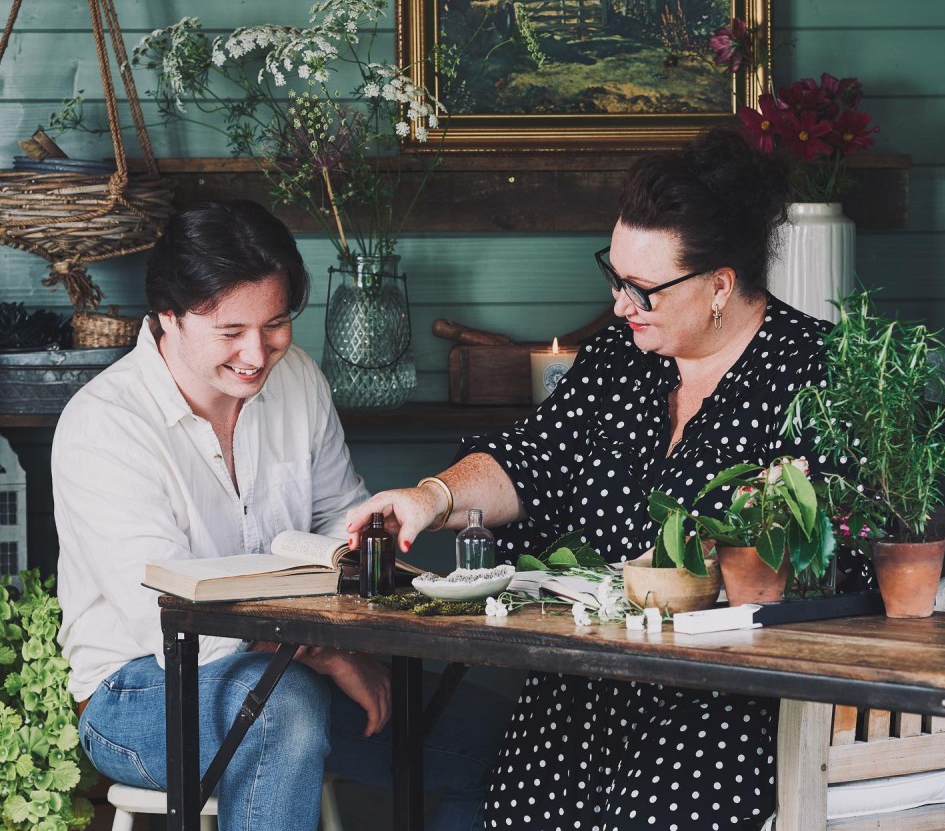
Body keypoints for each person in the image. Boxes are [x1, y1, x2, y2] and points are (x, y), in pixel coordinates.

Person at [345, 127, 833, 830]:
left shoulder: (811, 372)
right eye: (615, 275)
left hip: (723, 699)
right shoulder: (619, 356)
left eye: (642, 289)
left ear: (721, 285)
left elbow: (831, 561)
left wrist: (693, 575)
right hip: (579, 686)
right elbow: (530, 458)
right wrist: (432, 497)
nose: (620, 303)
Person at [53, 199, 503, 831]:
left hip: (295, 674)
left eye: (275, 324)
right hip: (137, 692)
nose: (258, 354)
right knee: (281, 710)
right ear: (168, 318)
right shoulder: (104, 425)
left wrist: (345, 616)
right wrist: (331, 654)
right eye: (230, 332)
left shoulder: (297, 380)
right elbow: (175, 619)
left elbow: (342, 530)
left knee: (504, 734)